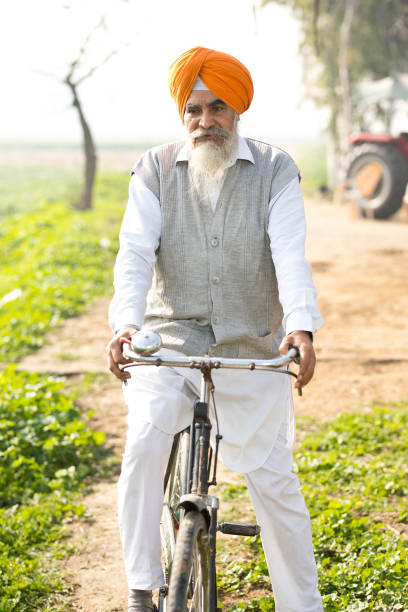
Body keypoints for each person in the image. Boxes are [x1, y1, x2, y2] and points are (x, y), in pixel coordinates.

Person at [107, 46, 324, 612]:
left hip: (251, 345)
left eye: (218, 108)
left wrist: (300, 326)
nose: (206, 122)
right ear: (183, 115)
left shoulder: (275, 169)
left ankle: (301, 605)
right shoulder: (155, 168)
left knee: (276, 485)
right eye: (194, 110)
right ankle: (140, 586)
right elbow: (133, 253)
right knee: (143, 444)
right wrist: (125, 324)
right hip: (169, 344)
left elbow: (290, 255)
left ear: (238, 111)